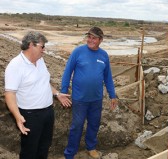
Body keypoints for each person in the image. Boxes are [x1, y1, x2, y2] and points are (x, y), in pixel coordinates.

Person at [4, 31, 72, 159]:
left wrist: (57, 94)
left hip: (47, 112)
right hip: (30, 116)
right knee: (29, 150)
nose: (44, 50)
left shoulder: (40, 61)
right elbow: (10, 94)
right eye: (42, 46)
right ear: (31, 45)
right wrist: (18, 116)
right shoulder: (15, 66)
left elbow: (44, 82)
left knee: (44, 147)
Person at [61, 26, 117, 159]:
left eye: (94, 38)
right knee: (77, 125)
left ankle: (91, 147)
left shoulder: (104, 55)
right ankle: (70, 153)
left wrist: (112, 95)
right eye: (89, 37)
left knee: (94, 124)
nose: (90, 40)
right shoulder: (78, 52)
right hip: (79, 99)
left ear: (100, 40)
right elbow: (67, 72)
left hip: (96, 99)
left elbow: (108, 77)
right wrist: (63, 91)